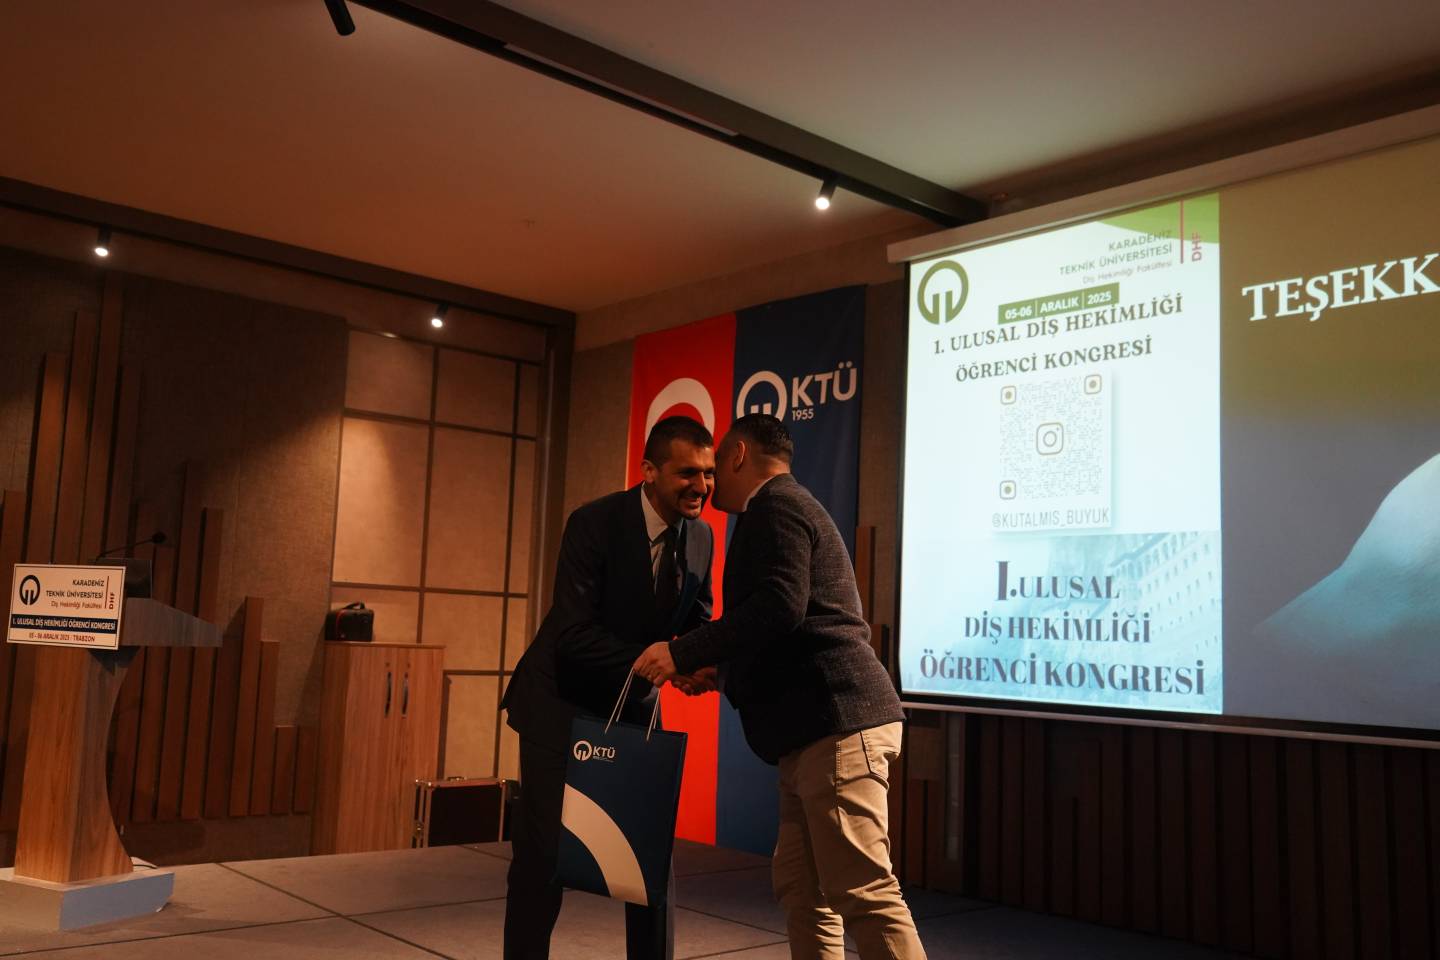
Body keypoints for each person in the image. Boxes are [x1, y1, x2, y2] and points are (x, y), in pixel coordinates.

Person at [633, 414, 925, 960]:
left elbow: (779, 606)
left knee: (864, 892)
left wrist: (682, 652)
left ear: (739, 455)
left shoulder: (776, 506)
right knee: (803, 889)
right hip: (816, 731)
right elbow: (792, 628)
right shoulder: (780, 507)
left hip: (836, 723)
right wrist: (718, 674)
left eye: (714, 467)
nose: (708, 483)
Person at [501, 415, 717, 960]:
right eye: (687, 473)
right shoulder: (593, 522)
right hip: (559, 705)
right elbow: (573, 635)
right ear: (649, 471)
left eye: (709, 473)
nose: (701, 486)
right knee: (544, 858)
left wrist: (698, 661)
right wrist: (665, 664)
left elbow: (697, 618)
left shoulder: (703, 536)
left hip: (634, 711)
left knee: (649, 860)